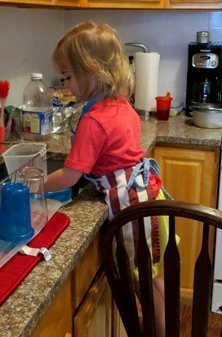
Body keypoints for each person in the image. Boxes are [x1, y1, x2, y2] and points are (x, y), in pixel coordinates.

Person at [44, 21, 167, 337]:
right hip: (148, 194)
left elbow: (70, 175)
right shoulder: (121, 104)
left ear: (93, 71)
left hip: (131, 208)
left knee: (144, 279)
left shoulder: (95, 119)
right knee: (153, 277)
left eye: (69, 77)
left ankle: (158, 332)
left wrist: (34, 186)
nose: (66, 85)